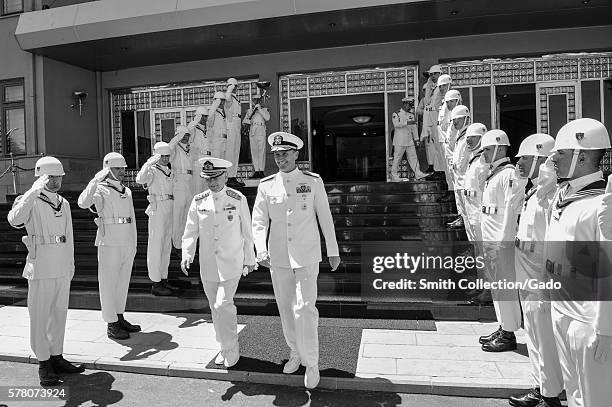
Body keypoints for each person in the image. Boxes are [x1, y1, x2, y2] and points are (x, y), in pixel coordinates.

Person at [252, 132, 341, 389]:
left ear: (296, 154)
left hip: (307, 254)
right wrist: (260, 250)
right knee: (286, 307)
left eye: (285, 154)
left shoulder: (312, 181)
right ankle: (295, 352)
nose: (280, 159)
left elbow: (325, 216)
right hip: (278, 256)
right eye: (277, 155)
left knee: (305, 308)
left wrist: (332, 250)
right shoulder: (266, 184)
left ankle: (311, 362)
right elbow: (259, 221)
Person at [544, 118, 612, 407]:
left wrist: (607, 328)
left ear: (582, 156)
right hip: (561, 306)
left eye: (560, 153)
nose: (552, 158)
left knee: (596, 397)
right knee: (574, 393)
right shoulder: (565, 195)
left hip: (588, 319)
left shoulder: (602, 203)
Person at [7, 156, 85, 386]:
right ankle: (44, 363)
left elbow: (69, 236)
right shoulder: (29, 200)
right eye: (51, 176)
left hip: (61, 264)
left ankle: (56, 356)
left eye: (59, 176)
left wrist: (71, 264)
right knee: (39, 317)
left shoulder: (64, 202)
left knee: (59, 315)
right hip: (40, 266)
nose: (56, 180)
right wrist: (33, 192)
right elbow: (14, 219)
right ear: (41, 177)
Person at [181, 157, 256, 368]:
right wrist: (188, 254)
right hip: (208, 265)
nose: (212, 183)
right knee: (215, 308)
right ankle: (223, 346)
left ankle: (232, 348)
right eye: (207, 179)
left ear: (225, 175)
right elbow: (190, 232)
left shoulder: (237, 198)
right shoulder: (199, 201)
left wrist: (250, 259)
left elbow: (247, 232)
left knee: (224, 305)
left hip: (231, 262)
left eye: (215, 178)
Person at [509, 133, 564, 407]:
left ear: (543, 161)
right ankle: (540, 387)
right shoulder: (533, 192)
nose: (519, 163)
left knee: (544, 338)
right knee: (533, 334)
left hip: (540, 279)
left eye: (526, 158)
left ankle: (549, 394)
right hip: (526, 275)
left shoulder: (550, 196)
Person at [78, 152, 140, 340]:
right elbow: (83, 202)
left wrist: (134, 243)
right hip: (109, 241)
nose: (121, 172)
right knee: (108, 283)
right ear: (107, 169)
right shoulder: (100, 189)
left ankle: (119, 316)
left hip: (126, 240)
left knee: (122, 282)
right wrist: (95, 181)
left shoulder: (126, 190)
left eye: (122, 168)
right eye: (117, 168)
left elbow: (133, 219)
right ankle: (111, 323)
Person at [479, 130, 526, 352]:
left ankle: (508, 334)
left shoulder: (509, 174)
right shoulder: (494, 174)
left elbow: (510, 210)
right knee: (498, 288)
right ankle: (503, 326)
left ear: (500, 148)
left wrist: (503, 242)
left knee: (505, 288)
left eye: (487, 150)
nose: (483, 154)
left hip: (500, 242)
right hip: (491, 241)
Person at [136, 142, 177, 296]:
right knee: (156, 246)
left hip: (169, 206)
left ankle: (164, 278)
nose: (165, 159)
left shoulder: (169, 170)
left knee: (166, 245)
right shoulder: (152, 170)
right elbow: (140, 179)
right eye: (162, 156)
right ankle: (156, 282)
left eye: (167, 156)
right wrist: (149, 162)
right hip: (157, 207)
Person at [169, 125, 196, 250]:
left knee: (187, 215)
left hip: (189, 182)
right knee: (177, 215)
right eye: (183, 135)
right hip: (178, 181)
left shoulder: (190, 149)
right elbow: (168, 148)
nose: (185, 137)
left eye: (187, 135)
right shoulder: (174, 149)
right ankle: (176, 244)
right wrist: (177, 137)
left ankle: (185, 243)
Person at [391, 97, 428, 181]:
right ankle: (394, 176)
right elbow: (396, 125)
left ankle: (418, 173)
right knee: (397, 158)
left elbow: (414, 128)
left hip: (410, 140)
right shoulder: (396, 114)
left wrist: (417, 139)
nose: (409, 107)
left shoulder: (411, 115)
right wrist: (406, 122)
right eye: (409, 105)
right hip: (399, 141)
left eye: (411, 105)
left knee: (413, 157)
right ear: (404, 104)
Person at [447, 105, 471, 230]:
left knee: (472, 222)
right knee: (467, 223)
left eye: (458, 119)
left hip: (467, 183)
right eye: (453, 120)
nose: (455, 122)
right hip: (459, 181)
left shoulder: (470, 137)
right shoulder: (459, 136)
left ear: (466, 119)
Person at [421, 73, 451, 175]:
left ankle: (443, 170)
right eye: (440, 86)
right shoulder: (433, 94)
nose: (441, 88)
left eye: (444, 86)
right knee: (437, 149)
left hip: (445, 129)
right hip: (435, 125)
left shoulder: (449, 97)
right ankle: (439, 170)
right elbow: (427, 105)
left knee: (443, 150)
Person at [437, 89, 462, 202]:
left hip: (457, 152)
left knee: (459, 181)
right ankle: (452, 194)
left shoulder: (460, 114)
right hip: (449, 150)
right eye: (447, 102)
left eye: (451, 101)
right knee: (450, 174)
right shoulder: (449, 114)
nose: (448, 104)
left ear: (457, 100)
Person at [224, 78, 245, 188]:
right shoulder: (229, 97)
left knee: (236, 151)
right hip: (230, 124)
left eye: (236, 87)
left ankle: (233, 176)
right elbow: (227, 98)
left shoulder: (236, 98)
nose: (236, 89)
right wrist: (230, 88)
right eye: (234, 86)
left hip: (237, 124)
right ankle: (228, 177)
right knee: (230, 151)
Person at [243, 92, 270, 178]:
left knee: (261, 152)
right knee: (254, 152)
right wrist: (252, 113)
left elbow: (267, 118)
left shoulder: (265, 110)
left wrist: (260, 110)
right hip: (253, 132)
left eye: (258, 100)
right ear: (253, 101)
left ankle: (261, 170)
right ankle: (256, 170)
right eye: (255, 100)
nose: (257, 101)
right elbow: (244, 121)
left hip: (261, 132)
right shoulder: (250, 111)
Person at [188, 105, 211, 193]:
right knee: (198, 186)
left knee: (207, 185)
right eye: (203, 116)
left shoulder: (207, 129)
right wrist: (194, 122)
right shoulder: (193, 129)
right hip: (198, 159)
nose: (205, 118)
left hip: (208, 159)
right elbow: (187, 135)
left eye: (206, 116)